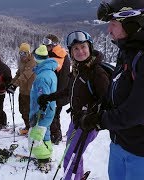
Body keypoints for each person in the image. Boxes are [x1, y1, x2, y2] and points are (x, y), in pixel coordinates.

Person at [78, 0, 144, 179]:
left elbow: (133, 113)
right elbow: (116, 87)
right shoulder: (129, 48)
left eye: (113, 24)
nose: (109, 30)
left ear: (133, 24)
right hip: (120, 143)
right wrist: (100, 106)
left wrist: (100, 121)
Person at [38, 31, 110, 179]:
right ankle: (78, 175)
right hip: (76, 121)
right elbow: (68, 90)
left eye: (83, 47)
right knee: (73, 154)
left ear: (90, 47)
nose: (80, 51)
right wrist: (48, 97)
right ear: (71, 52)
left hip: (87, 125)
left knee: (70, 157)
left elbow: (108, 102)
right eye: (75, 49)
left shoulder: (97, 73)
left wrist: (93, 119)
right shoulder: (78, 69)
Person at [28, 44, 58, 172]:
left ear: (37, 58)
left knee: (34, 139)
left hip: (42, 112)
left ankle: (44, 159)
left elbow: (43, 99)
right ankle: (48, 152)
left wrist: (39, 114)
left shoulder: (42, 77)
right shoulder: (50, 71)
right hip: (51, 109)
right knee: (45, 133)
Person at [42, 34, 71, 145]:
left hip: (57, 92)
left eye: (47, 45)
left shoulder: (57, 57)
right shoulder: (59, 53)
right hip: (60, 91)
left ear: (53, 45)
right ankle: (56, 133)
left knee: (53, 114)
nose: (45, 47)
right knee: (55, 114)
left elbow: (51, 72)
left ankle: (56, 135)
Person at [6, 43, 36, 135]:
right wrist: (11, 83)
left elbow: (25, 76)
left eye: (25, 53)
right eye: (21, 53)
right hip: (22, 91)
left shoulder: (32, 62)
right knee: (22, 110)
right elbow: (18, 74)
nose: (22, 56)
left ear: (29, 53)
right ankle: (28, 126)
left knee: (29, 111)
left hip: (30, 92)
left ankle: (31, 128)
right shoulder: (22, 62)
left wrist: (15, 85)